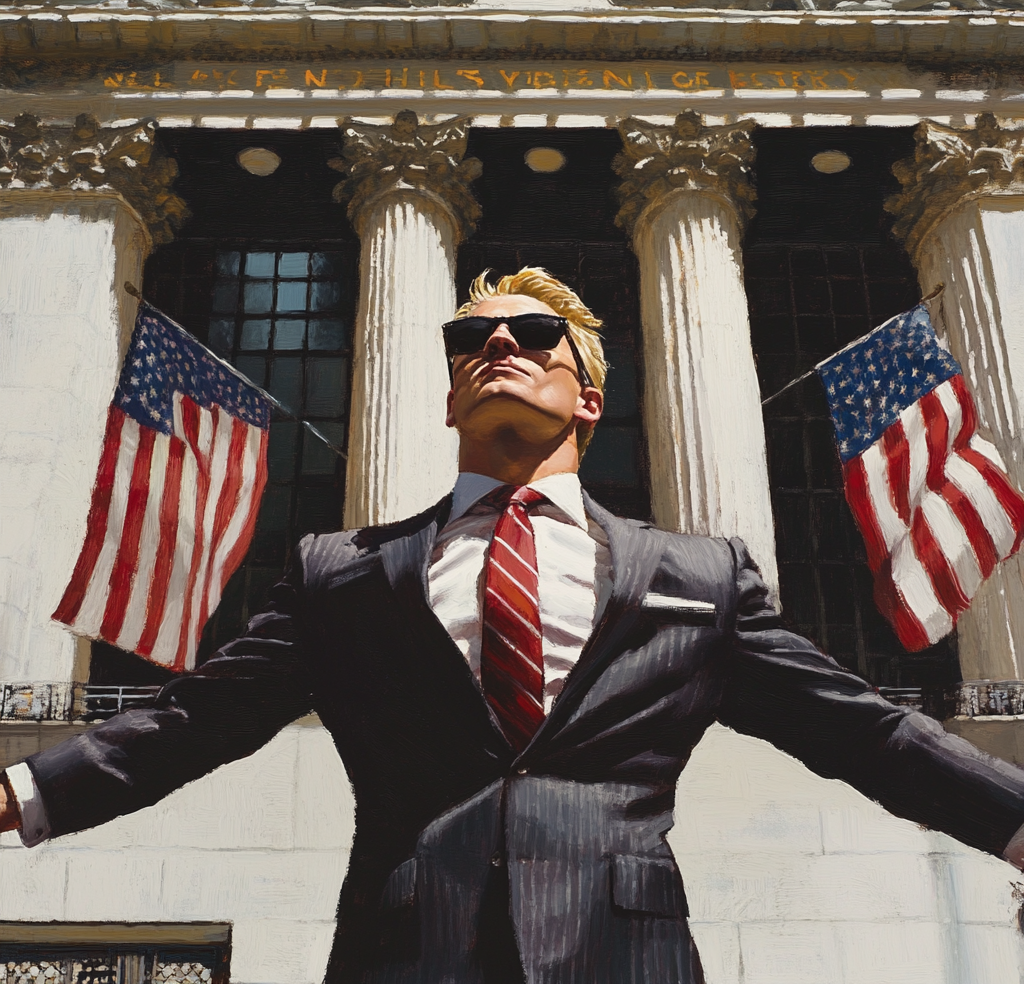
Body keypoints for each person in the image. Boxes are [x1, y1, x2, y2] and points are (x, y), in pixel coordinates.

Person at [3, 266, 1024, 984]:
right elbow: (190, 722)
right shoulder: (340, 573)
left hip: (626, 958)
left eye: (532, 337)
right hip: (403, 953)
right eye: (469, 340)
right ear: (449, 398)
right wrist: (20, 793)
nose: (496, 343)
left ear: (587, 397)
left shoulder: (698, 578)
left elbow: (866, 729)